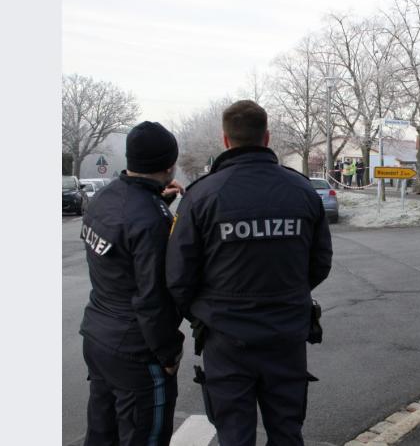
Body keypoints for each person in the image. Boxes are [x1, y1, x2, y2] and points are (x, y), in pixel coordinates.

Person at [166, 100, 332, 446]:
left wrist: (204, 312)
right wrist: (286, 294)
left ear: (225, 140)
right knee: (287, 433)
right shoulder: (302, 190)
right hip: (286, 333)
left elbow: (179, 275)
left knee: (235, 436)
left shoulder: (201, 196)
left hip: (225, 338)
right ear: (267, 137)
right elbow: (320, 263)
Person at [79, 121, 185, 446]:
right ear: (169, 165)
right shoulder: (150, 220)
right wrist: (169, 353)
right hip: (135, 352)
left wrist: (155, 201)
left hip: (98, 337)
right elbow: (152, 297)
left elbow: (123, 242)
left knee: (102, 434)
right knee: (144, 436)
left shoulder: (104, 198)